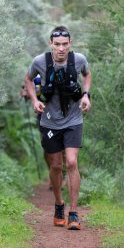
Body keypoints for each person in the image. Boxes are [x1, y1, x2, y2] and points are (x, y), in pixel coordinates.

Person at [24, 26, 92, 230]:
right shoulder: (40, 62)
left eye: (64, 44)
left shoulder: (79, 59)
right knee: (55, 166)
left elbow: (87, 75)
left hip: (73, 119)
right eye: (57, 44)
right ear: (51, 44)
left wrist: (87, 94)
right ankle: (58, 204)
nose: (61, 48)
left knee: (71, 162)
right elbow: (28, 79)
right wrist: (35, 100)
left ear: (70, 44)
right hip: (49, 121)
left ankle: (73, 213)